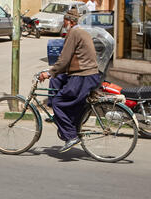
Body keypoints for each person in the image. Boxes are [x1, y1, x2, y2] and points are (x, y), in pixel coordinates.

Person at [39, 8, 100, 153]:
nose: (64, 23)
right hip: (87, 74)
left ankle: (71, 136)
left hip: (83, 76)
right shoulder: (81, 31)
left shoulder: (74, 33)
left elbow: (64, 59)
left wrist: (50, 72)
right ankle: (61, 118)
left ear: (70, 21)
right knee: (57, 80)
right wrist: (53, 73)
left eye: (65, 20)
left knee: (58, 103)